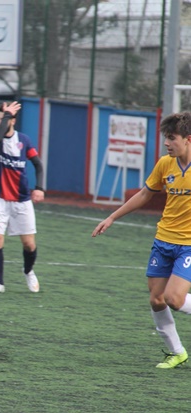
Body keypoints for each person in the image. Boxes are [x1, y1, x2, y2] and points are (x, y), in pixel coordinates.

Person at [92, 111, 191, 369]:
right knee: (156, 299)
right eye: (165, 138)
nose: (166, 143)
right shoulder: (165, 164)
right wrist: (112, 217)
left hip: (188, 245)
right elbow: (145, 194)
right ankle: (177, 352)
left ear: (188, 139)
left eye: (172, 138)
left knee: (174, 299)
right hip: (163, 240)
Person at [0, 101, 45, 294]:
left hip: (21, 200)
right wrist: (7, 115)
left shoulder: (24, 140)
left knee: (29, 244)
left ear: (13, 121)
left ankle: (28, 271)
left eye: (3, 119)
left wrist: (39, 188)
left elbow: (38, 165)